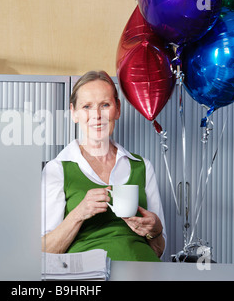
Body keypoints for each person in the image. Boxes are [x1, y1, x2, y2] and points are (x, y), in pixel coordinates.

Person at [41, 70, 166, 261]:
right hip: (87, 277)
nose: (97, 115)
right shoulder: (57, 169)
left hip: (144, 270)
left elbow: (158, 249)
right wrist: (78, 215)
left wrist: (155, 229)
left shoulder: (142, 167)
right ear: (74, 113)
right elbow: (45, 251)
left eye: (105, 105)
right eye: (87, 106)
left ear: (118, 109)